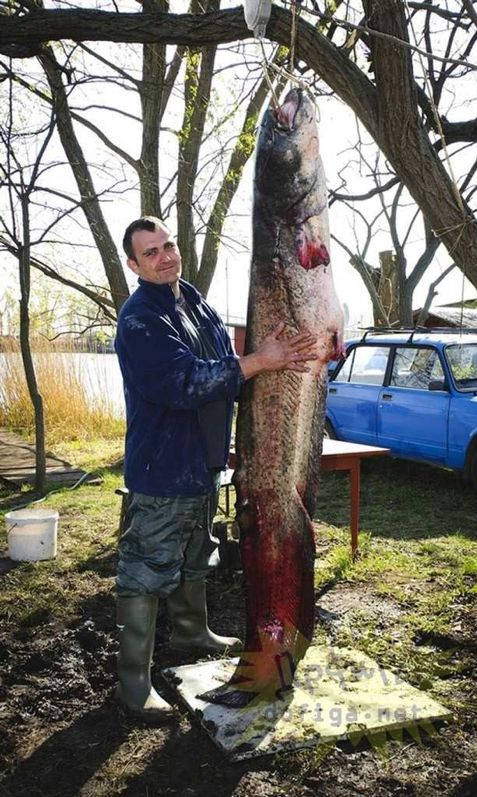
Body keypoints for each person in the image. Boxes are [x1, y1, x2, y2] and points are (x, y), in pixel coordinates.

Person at [114, 216, 317, 718]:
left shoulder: (194, 300)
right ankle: (133, 683)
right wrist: (258, 363)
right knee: (146, 570)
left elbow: (224, 363)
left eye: (168, 245)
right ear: (133, 264)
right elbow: (182, 383)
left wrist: (275, 353)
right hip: (162, 470)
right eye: (151, 252)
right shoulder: (140, 319)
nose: (165, 256)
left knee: (196, 552)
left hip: (202, 464)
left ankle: (191, 630)